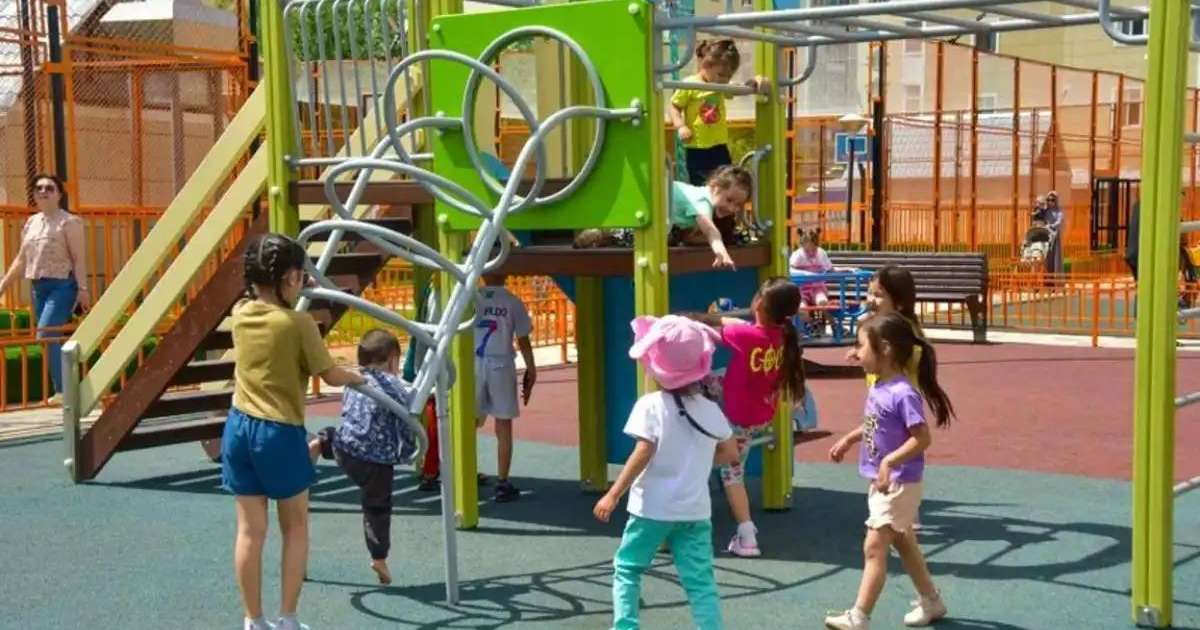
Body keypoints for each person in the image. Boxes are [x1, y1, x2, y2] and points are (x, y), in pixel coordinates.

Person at [220, 233, 365, 630]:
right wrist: (360, 377)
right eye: (299, 275)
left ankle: (253, 620)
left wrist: (296, 286)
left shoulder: (241, 313)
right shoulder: (299, 323)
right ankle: (287, 618)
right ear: (289, 277)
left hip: (238, 428)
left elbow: (274, 320)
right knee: (295, 525)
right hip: (279, 432)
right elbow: (330, 374)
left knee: (250, 530)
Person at [593, 315, 738, 630]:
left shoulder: (651, 405)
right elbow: (730, 452)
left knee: (628, 568)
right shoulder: (710, 409)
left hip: (652, 509)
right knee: (700, 582)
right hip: (695, 510)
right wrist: (696, 461)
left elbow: (643, 452)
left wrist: (613, 493)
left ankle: (626, 626)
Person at [825, 312, 957, 630]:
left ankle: (859, 616)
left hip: (898, 482)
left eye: (861, 346)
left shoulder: (902, 392)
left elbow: (922, 437)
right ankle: (931, 600)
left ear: (883, 348)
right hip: (885, 481)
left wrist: (888, 462)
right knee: (903, 541)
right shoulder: (880, 386)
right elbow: (876, 424)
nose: (856, 353)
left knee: (874, 546)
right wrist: (849, 439)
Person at [692, 278, 805, 557]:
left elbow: (709, 329)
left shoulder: (746, 337)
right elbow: (740, 327)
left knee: (730, 473)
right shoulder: (782, 335)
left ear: (759, 304)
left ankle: (746, 533)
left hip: (736, 417)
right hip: (757, 414)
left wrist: (686, 317)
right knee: (728, 463)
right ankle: (741, 532)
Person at [312, 328, 418, 586]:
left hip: (346, 451)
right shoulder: (393, 385)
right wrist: (409, 451)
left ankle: (319, 443)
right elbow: (410, 407)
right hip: (376, 463)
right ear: (393, 360)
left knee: (334, 433)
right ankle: (379, 557)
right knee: (377, 508)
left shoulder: (352, 379)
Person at [0, 173, 91, 401]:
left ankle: (63, 390)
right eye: (38, 188)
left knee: (45, 334)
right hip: (38, 287)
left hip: (62, 284)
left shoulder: (69, 222)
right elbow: (21, 259)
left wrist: (83, 289)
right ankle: (69, 389)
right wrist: (3, 285)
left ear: (59, 194)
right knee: (51, 338)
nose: (43, 191)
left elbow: (79, 258)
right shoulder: (31, 223)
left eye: (49, 188)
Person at [474, 272, 537, 503]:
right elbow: (523, 339)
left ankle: (466, 471)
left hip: (473, 362)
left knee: (468, 421)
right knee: (503, 424)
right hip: (501, 363)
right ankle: (502, 482)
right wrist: (531, 368)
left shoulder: (471, 298)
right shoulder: (512, 301)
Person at [669, 39, 763, 186]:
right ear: (705, 66)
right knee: (702, 186)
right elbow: (674, 106)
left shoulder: (721, 85)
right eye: (721, 75)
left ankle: (724, 208)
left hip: (719, 146)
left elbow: (738, 90)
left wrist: (752, 83)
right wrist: (680, 126)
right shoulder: (690, 84)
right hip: (697, 148)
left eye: (729, 76)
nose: (725, 80)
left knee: (726, 183)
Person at [672, 165, 753, 270]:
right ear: (715, 187)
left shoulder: (700, 201)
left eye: (738, 205)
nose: (732, 209)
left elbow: (689, 236)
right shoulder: (702, 201)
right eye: (729, 200)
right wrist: (722, 252)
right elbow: (710, 231)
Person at [1043, 190, 1065, 274]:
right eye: (1048, 200)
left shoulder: (1059, 212)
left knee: (1055, 258)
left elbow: (1060, 222)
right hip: (1046, 237)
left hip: (1055, 238)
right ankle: (1046, 280)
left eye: (1052, 200)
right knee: (1046, 258)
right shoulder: (1045, 211)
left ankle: (1056, 280)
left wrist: (1051, 226)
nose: (1050, 202)